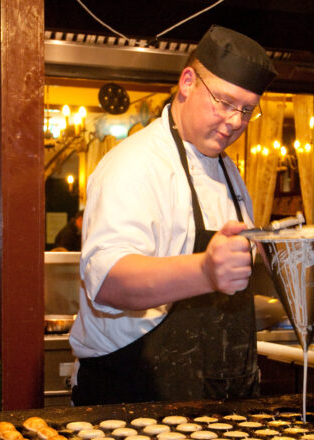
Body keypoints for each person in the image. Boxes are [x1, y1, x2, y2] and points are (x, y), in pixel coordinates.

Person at [69, 25, 278, 406]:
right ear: (187, 83)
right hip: (135, 398)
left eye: (246, 110)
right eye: (225, 102)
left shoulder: (230, 173)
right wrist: (205, 271)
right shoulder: (134, 165)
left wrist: (272, 251)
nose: (234, 121)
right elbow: (107, 284)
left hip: (221, 400)